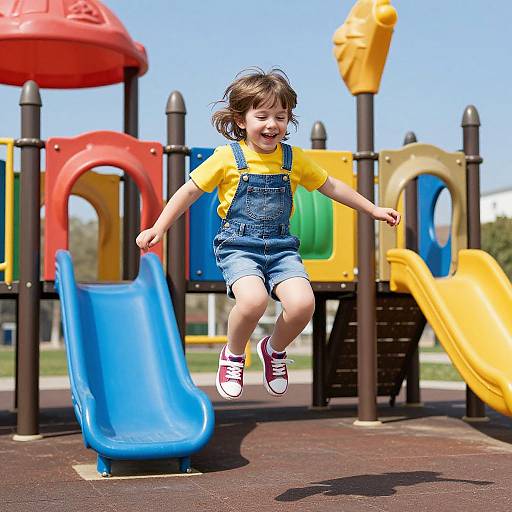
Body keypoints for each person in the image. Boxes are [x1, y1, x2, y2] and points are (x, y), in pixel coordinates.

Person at [136, 68, 400, 401]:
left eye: (280, 116)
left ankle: (273, 349)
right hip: (239, 246)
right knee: (253, 300)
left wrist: (372, 209)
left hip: (281, 248)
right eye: (262, 116)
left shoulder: (293, 159)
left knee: (304, 304)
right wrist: (159, 226)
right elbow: (189, 192)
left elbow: (331, 186)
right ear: (241, 120)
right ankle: (233, 354)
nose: (272, 124)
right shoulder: (226, 158)